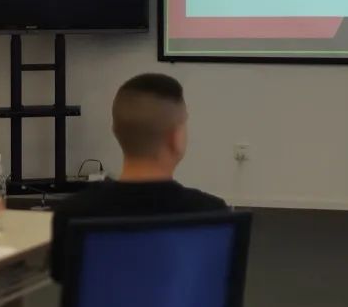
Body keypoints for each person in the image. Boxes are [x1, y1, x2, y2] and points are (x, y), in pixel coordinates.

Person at [49, 73, 226, 282]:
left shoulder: (72, 214)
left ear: (116, 131)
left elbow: (65, 280)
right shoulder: (212, 216)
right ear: (176, 138)